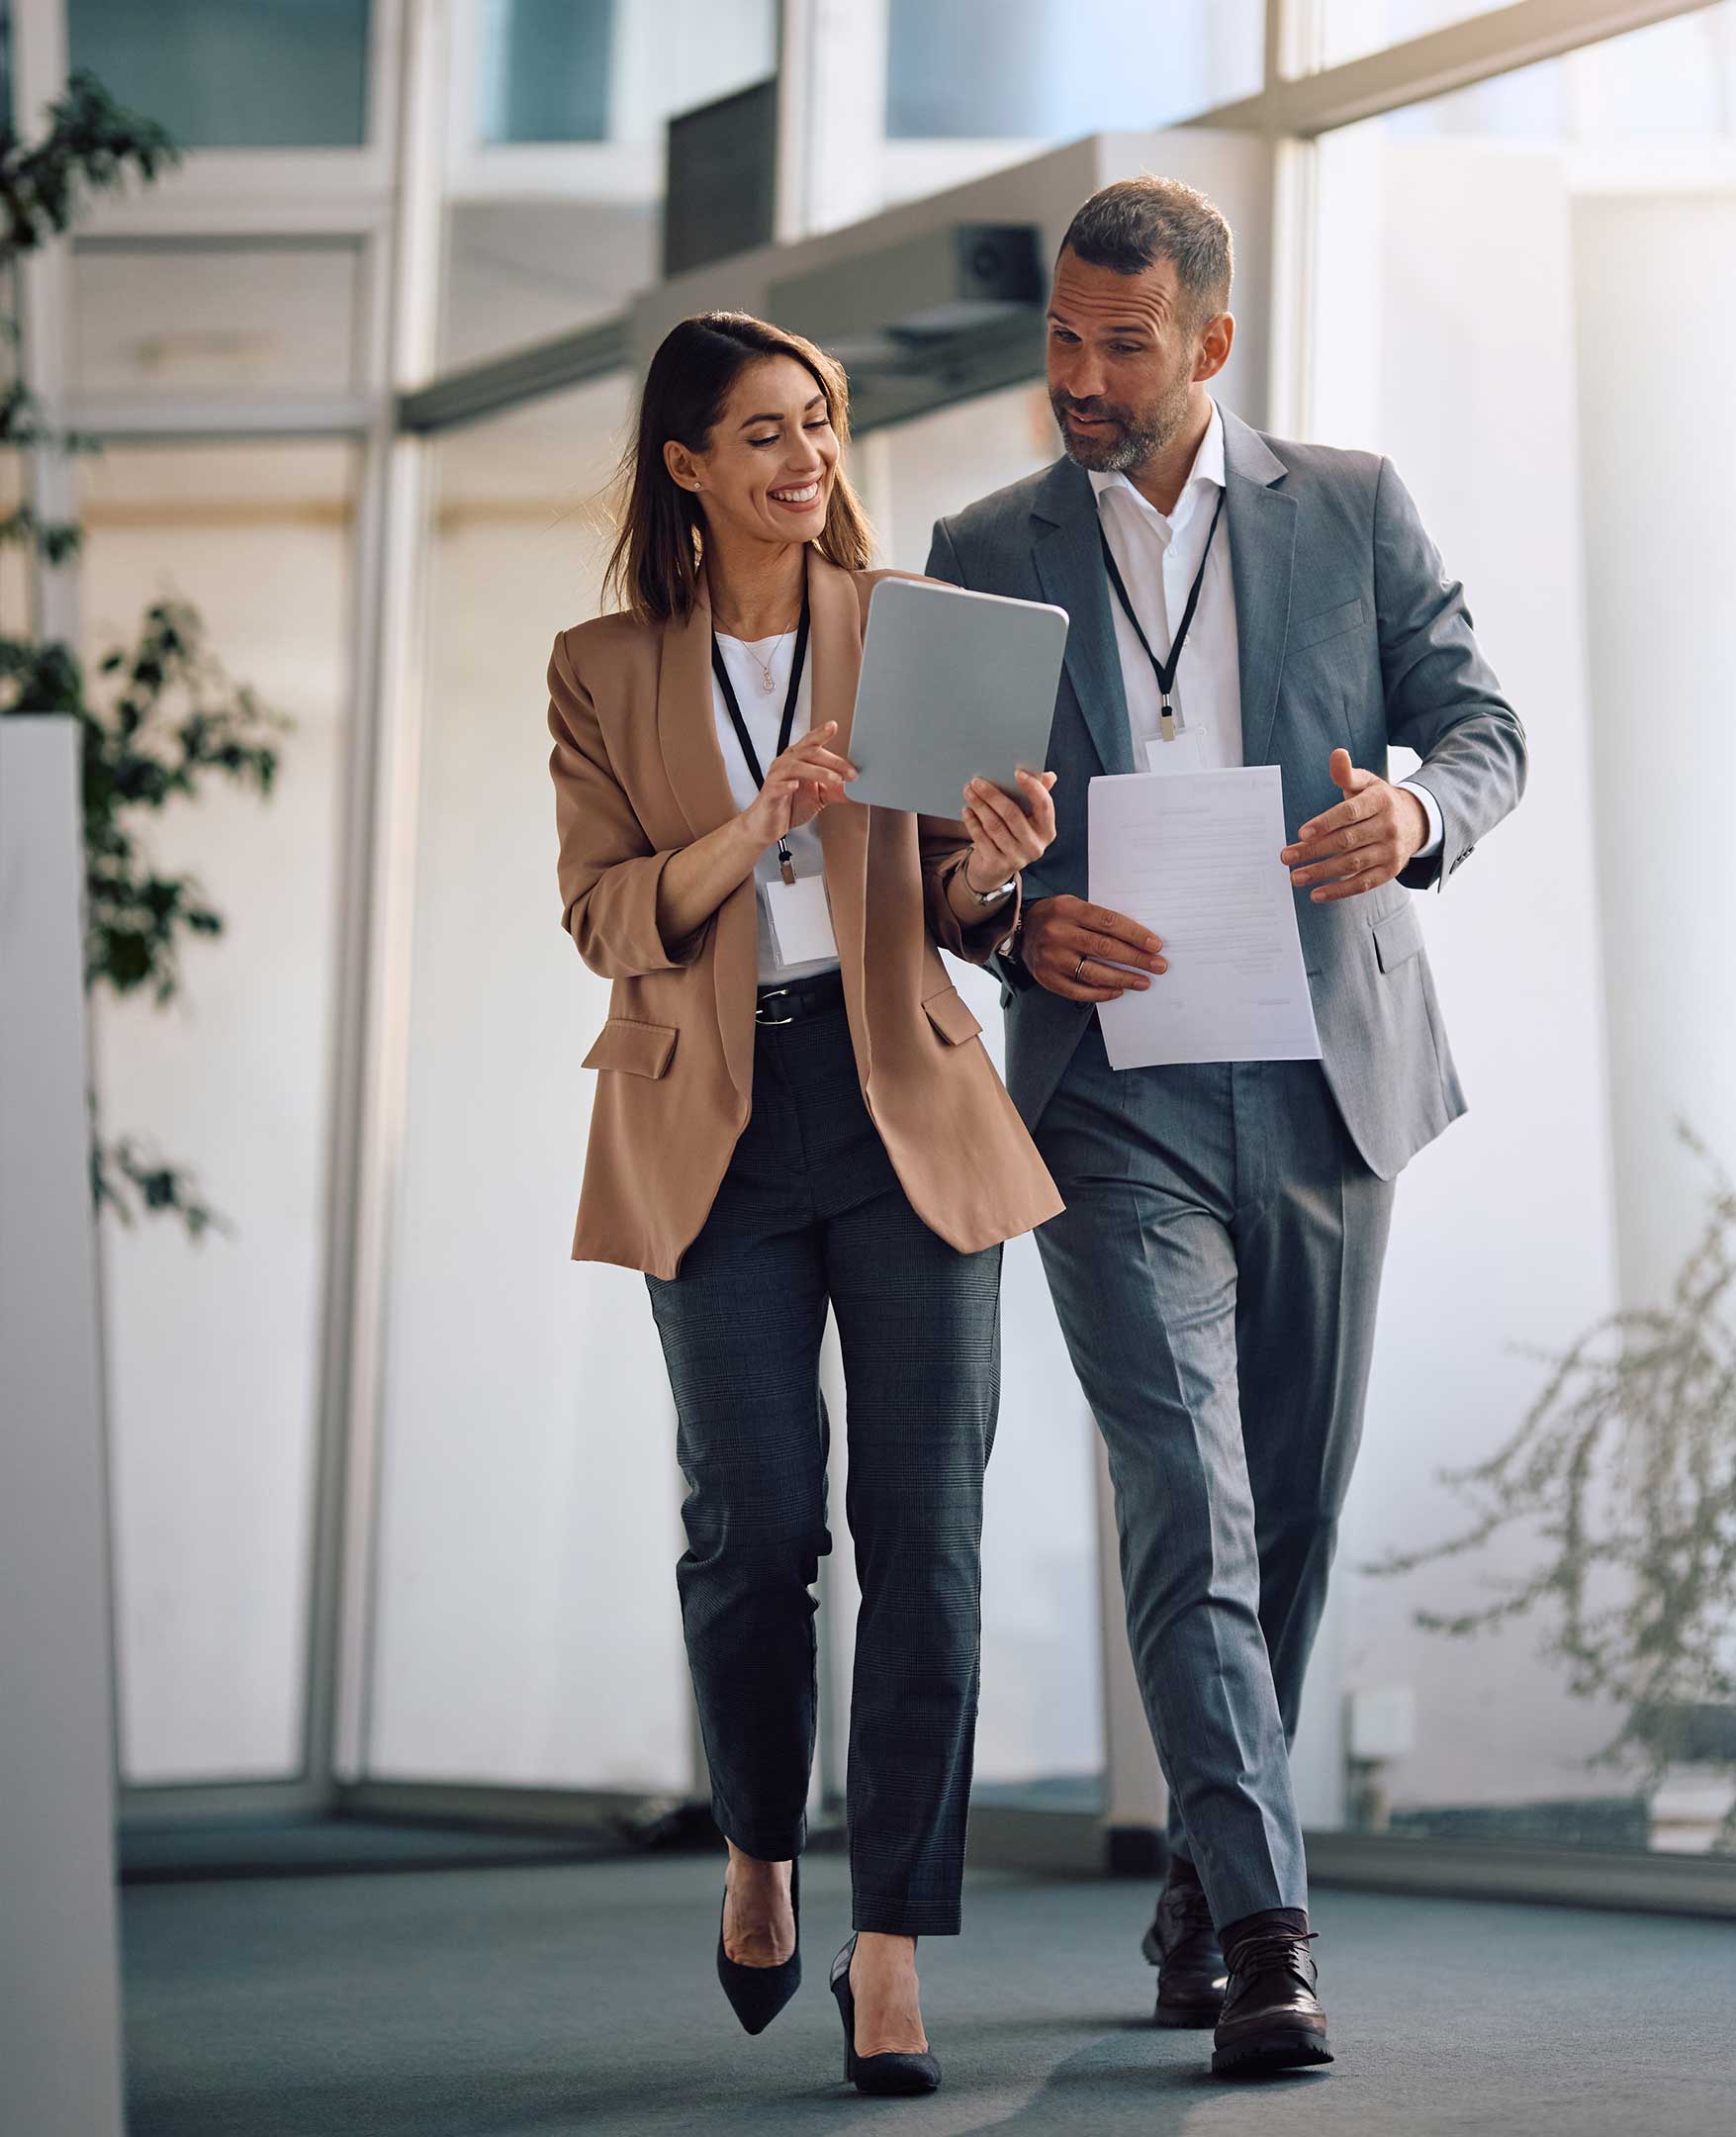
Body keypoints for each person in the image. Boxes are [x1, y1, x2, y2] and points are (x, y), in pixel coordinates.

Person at [926, 177, 1526, 2078]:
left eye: (1121, 345)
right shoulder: (975, 546)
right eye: (1060, 342)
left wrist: (1414, 817)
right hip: (1111, 1094)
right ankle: (1269, 1931)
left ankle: (1203, 1863)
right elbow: (921, 868)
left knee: (1295, 1501)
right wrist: (1009, 914)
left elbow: (1483, 727)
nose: (1081, 380)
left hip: (1326, 1066)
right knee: (1188, 1491)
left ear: (1210, 344)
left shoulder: (1350, 507)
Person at [545, 311, 1063, 2096]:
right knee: (755, 1532)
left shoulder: (904, 628)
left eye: (821, 424)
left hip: (900, 1094)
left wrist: (992, 865)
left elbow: (953, 901)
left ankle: (896, 1943)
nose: (805, 459)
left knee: (927, 1533)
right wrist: (748, 823)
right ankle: (762, 1845)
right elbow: (606, 914)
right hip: (716, 1120)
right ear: (687, 465)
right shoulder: (603, 667)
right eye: (764, 433)